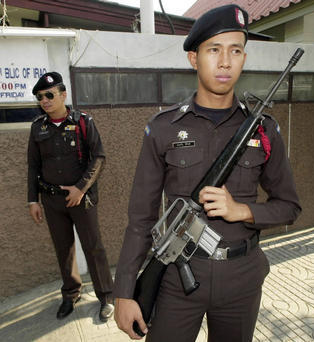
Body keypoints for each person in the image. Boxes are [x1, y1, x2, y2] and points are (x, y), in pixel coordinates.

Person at [113, 4, 301, 342]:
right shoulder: (164, 128)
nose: (225, 61)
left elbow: (289, 205)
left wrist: (241, 211)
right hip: (176, 277)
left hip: (241, 278)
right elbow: (140, 217)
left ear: (244, 58)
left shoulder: (263, 131)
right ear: (193, 58)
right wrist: (125, 292)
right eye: (214, 50)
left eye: (236, 50)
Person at [27, 71, 114, 322]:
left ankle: (107, 297)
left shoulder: (83, 121)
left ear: (63, 94)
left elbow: (99, 157)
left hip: (81, 198)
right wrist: (33, 200)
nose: (44, 100)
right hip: (52, 200)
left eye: (49, 95)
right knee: (63, 249)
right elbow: (33, 165)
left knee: (93, 247)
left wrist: (81, 188)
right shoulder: (37, 128)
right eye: (40, 97)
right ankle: (71, 293)